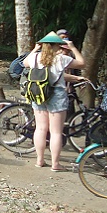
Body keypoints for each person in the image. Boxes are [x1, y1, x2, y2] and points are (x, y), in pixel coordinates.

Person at [23, 31, 85, 171]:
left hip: (39, 93)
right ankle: (55, 164)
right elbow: (82, 64)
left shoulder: (35, 57)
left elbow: (24, 63)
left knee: (40, 129)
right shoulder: (61, 59)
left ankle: (40, 160)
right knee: (56, 132)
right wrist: (72, 47)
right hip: (57, 95)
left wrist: (35, 49)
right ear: (56, 45)